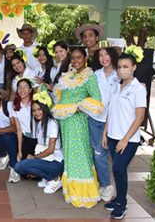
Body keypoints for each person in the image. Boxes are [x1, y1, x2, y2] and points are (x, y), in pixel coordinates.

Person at [52, 47, 104, 208]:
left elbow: (97, 99)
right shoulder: (69, 75)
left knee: (80, 154)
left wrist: (77, 108)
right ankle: (71, 190)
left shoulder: (89, 77)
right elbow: (60, 95)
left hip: (78, 121)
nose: (76, 61)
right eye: (73, 58)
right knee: (69, 154)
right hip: (66, 122)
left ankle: (84, 193)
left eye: (79, 57)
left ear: (85, 58)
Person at [102, 53, 146, 220]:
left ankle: (122, 204)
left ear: (134, 67)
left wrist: (125, 139)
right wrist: (105, 132)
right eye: (120, 67)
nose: (122, 70)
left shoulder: (138, 89)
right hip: (113, 136)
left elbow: (140, 117)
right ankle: (119, 199)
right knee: (118, 171)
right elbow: (110, 111)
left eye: (126, 67)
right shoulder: (116, 86)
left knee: (118, 168)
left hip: (129, 139)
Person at [14, 93, 64, 194]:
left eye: (39, 109)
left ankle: (54, 179)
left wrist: (35, 158)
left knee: (19, 166)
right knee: (23, 166)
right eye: (34, 110)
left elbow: (51, 149)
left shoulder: (51, 123)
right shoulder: (40, 123)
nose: (36, 113)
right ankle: (47, 178)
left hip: (56, 163)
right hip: (46, 160)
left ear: (45, 109)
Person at [88, 47, 120, 202]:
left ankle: (107, 185)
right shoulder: (95, 75)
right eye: (100, 55)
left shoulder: (119, 75)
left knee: (103, 155)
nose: (104, 58)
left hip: (111, 121)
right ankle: (104, 184)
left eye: (106, 54)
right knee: (98, 154)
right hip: (94, 119)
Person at [13, 79, 36, 162]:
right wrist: (19, 151)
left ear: (30, 90)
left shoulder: (36, 104)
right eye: (19, 88)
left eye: (25, 87)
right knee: (24, 169)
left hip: (39, 139)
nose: (22, 90)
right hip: (27, 138)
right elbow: (19, 130)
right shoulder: (16, 107)